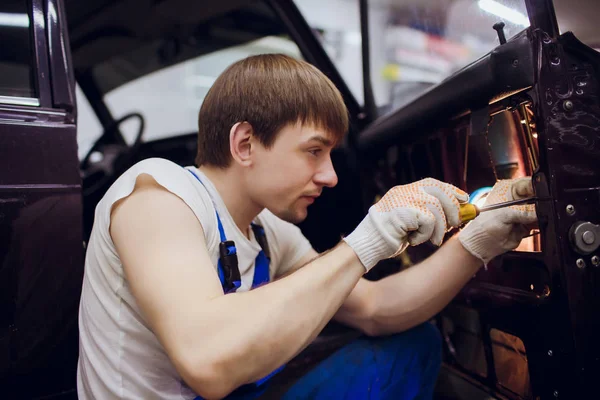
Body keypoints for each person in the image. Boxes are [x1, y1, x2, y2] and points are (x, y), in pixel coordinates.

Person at [76, 54, 537, 400]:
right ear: (245, 143)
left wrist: (475, 244)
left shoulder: (266, 231)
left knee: (412, 343)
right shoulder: (157, 197)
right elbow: (207, 360)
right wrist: (368, 240)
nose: (330, 176)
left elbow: (376, 309)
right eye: (314, 151)